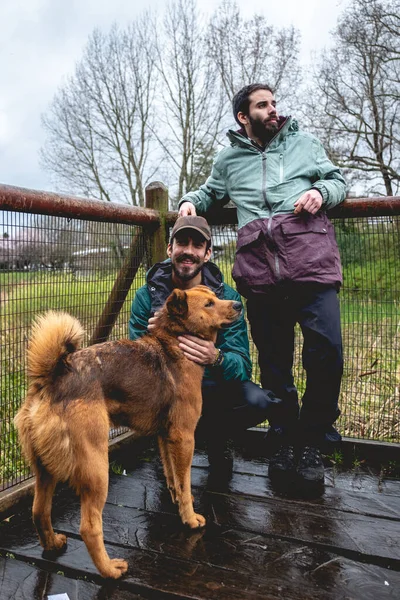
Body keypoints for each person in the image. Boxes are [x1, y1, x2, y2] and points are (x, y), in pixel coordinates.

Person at [178, 83, 346, 486]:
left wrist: (319, 192)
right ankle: (285, 439)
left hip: (311, 265)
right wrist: (189, 202)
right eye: (263, 105)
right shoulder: (229, 160)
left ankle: (313, 440)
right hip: (260, 275)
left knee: (327, 352)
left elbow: (338, 181)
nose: (273, 110)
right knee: (274, 362)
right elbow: (208, 192)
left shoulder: (304, 143)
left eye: (274, 103)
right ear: (243, 116)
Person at [129, 215, 283, 477]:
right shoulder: (147, 297)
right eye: (182, 243)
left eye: (197, 245)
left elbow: (242, 366)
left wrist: (217, 357)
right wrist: (152, 337)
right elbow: (135, 367)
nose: (188, 251)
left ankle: (216, 441)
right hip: (167, 391)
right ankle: (166, 444)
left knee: (257, 401)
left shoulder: (227, 298)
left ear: (207, 253)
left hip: (212, 389)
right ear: (170, 248)